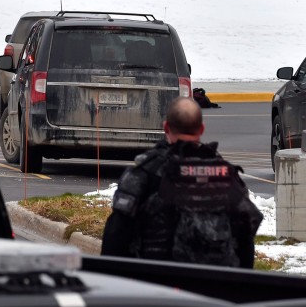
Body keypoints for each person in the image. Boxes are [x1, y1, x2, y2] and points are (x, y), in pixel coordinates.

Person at [102, 97, 261, 268]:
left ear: (166, 127)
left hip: (156, 285)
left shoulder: (147, 172)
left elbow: (116, 236)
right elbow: (246, 239)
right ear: (201, 129)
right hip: (216, 285)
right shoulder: (226, 175)